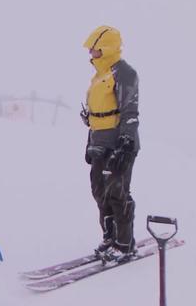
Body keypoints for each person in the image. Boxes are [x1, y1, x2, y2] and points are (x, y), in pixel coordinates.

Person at [81, 25, 140, 263]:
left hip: (119, 143)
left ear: (106, 49)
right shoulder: (97, 77)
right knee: (99, 192)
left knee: (117, 193)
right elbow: (97, 115)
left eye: (94, 50)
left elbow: (130, 111)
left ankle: (124, 244)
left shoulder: (125, 73)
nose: (91, 55)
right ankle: (109, 237)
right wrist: (89, 140)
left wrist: (126, 143)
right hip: (99, 143)